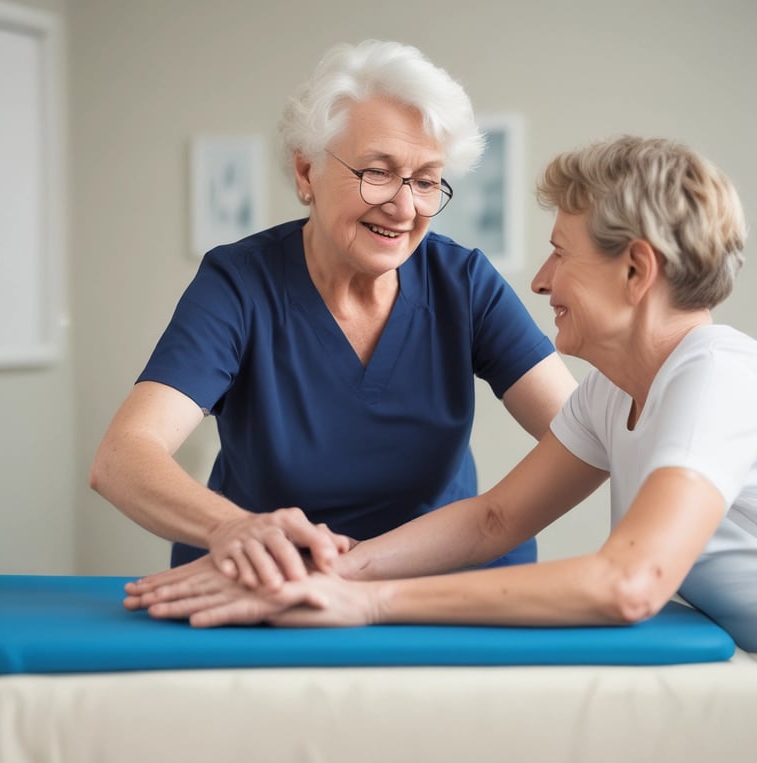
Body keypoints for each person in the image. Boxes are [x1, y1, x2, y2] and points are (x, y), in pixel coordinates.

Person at [124, 135, 757, 653]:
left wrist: (367, 601)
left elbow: (631, 582)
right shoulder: (611, 396)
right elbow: (494, 519)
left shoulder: (716, 378)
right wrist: (313, 577)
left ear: (636, 270)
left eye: (561, 255)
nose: (540, 281)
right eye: (377, 171)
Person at [90, 39, 576, 586]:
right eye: (377, 172)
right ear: (305, 173)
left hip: (438, 582)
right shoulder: (240, 284)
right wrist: (234, 528)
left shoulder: (462, 283)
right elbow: (123, 458)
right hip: (275, 582)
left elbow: (584, 432)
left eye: (424, 180)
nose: (404, 206)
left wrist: (492, 521)